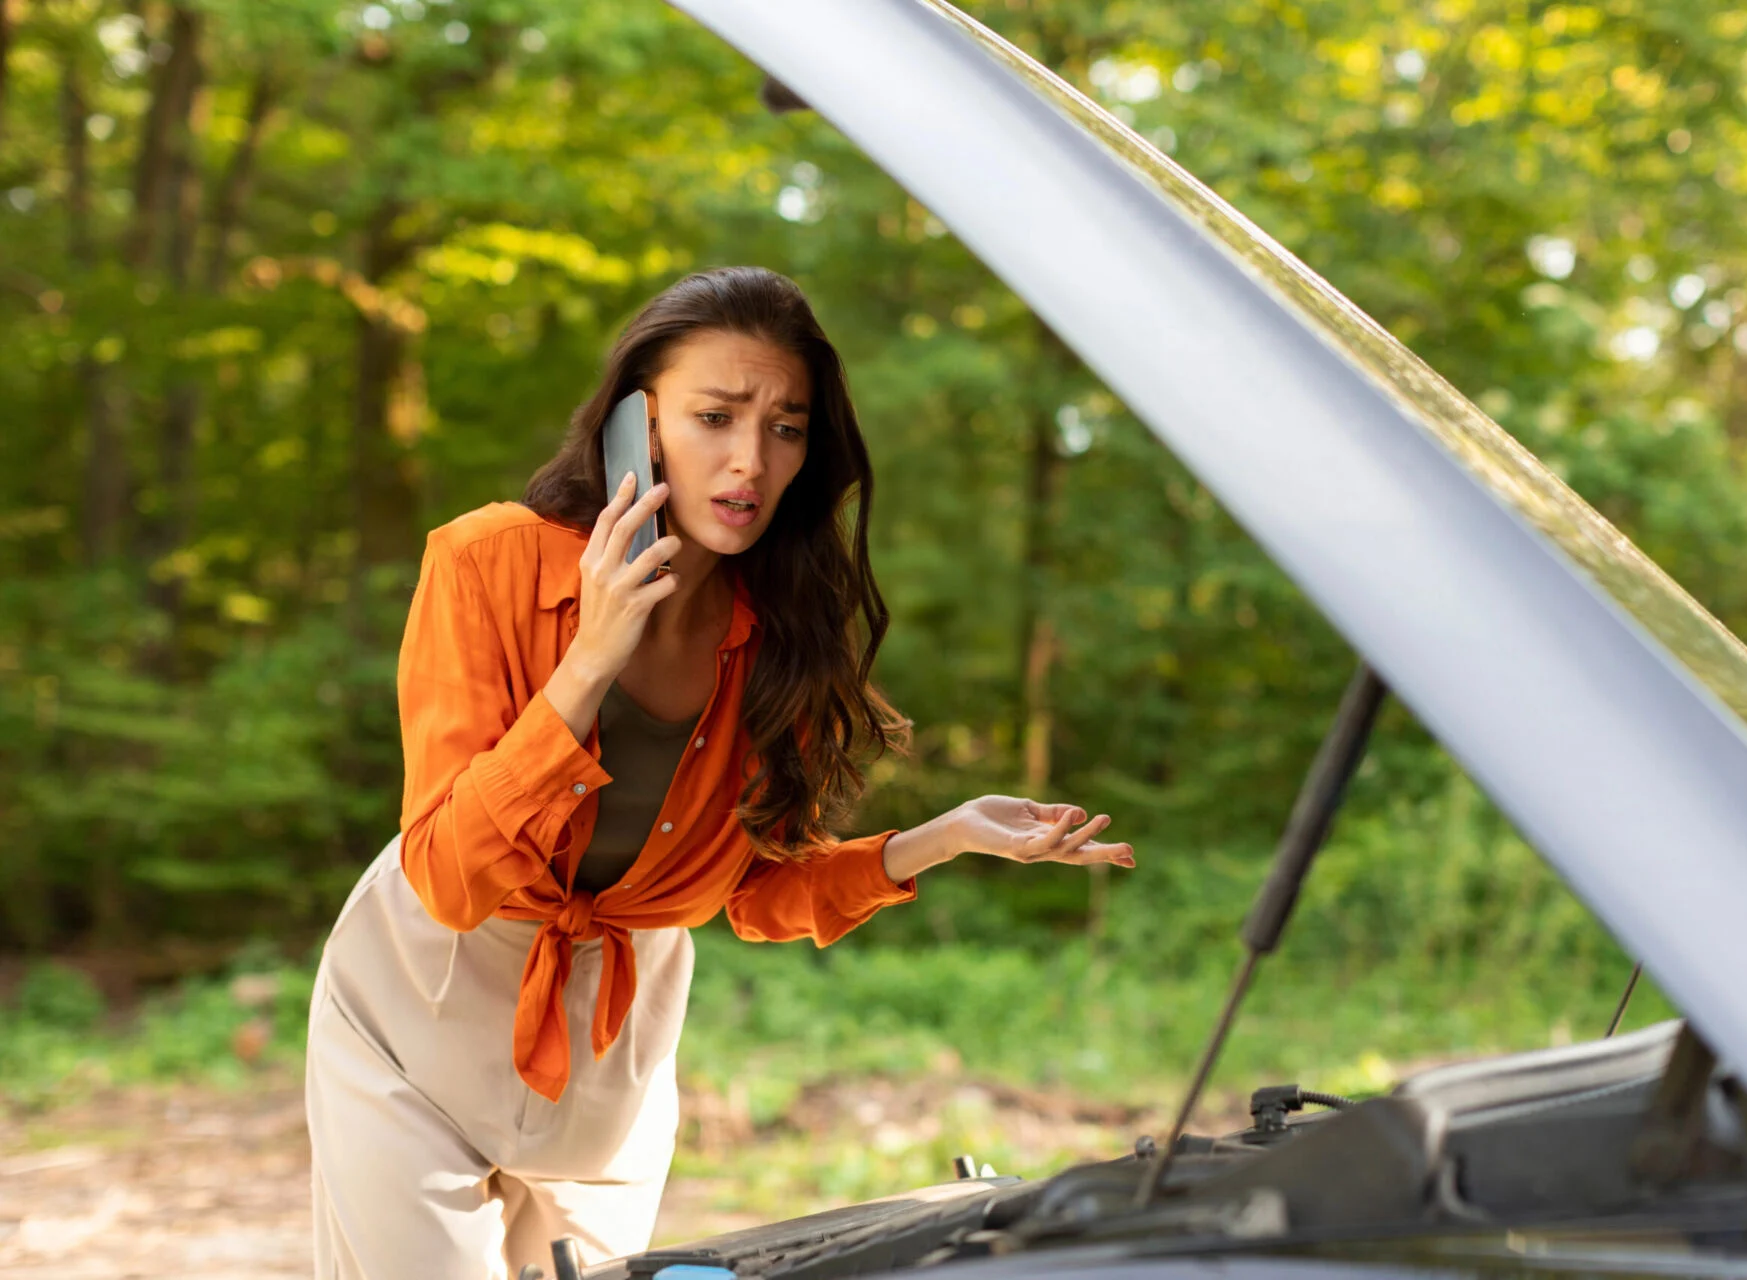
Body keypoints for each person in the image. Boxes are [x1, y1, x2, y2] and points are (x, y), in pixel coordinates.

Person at [304, 266, 1135, 1279]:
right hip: (418, 1005)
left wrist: (945, 835)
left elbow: (757, 892)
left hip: (614, 1034)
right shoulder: (485, 564)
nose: (750, 459)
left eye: (785, 427)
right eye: (715, 416)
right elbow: (445, 874)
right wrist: (588, 662)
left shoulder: (780, 636)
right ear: (640, 424)